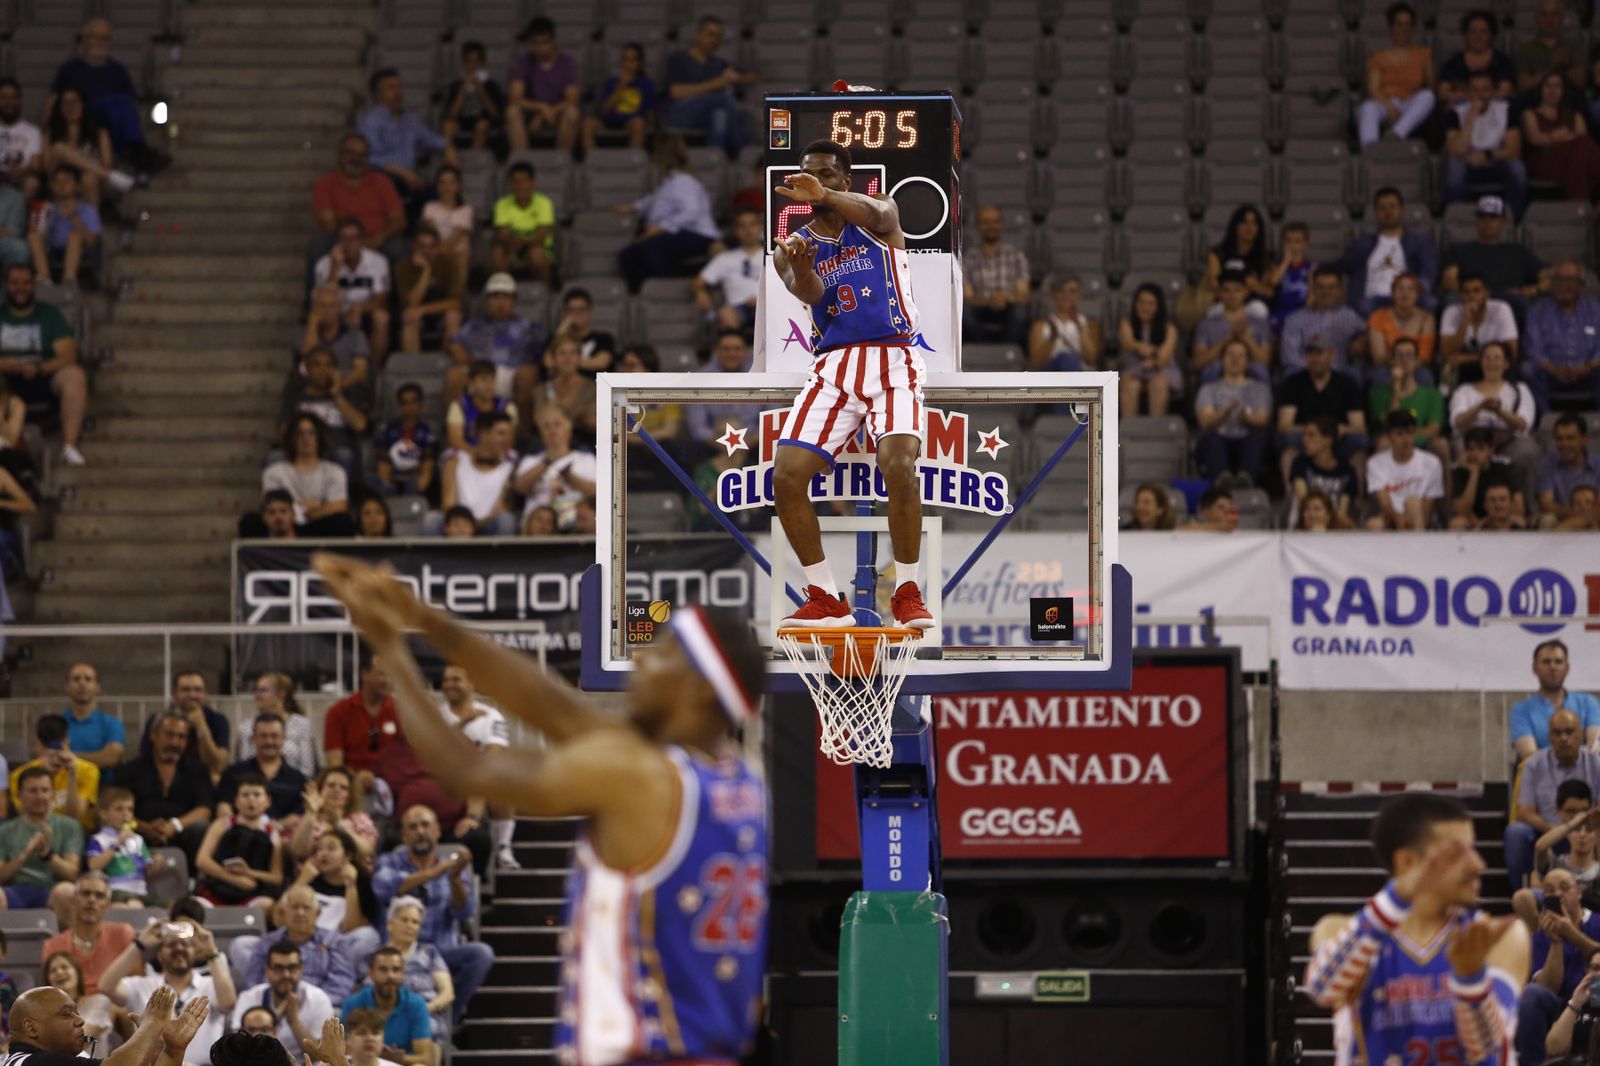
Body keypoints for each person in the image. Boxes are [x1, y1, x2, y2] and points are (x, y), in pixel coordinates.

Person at [315, 551, 769, 1064]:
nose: (641, 659)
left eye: (662, 654)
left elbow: (466, 771)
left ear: (700, 689)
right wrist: (425, 619)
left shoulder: (639, 776)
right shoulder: (741, 778)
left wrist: (390, 646)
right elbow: (555, 707)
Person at [767, 139, 933, 631]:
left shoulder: (880, 217)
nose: (815, 184)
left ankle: (906, 591)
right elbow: (811, 293)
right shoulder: (792, 245)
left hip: (893, 359)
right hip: (833, 366)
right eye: (807, 176)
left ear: (847, 180)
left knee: (898, 463)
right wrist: (800, 267)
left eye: (826, 176)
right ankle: (825, 598)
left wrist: (827, 195)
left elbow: (881, 212)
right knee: (786, 477)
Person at [1304, 793, 1528, 1064]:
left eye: (1474, 849)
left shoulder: (1495, 935)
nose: (1478, 865)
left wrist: (1471, 980)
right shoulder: (1342, 930)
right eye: (1458, 853)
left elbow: (1487, 1047)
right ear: (1408, 862)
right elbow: (1321, 988)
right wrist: (1395, 900)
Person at [370, 806, 489, 1027]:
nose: (420, 831)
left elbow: (464, 911)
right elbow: (383, 888)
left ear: (437, 831)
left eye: (426, 825)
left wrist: (454, 879)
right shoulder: (389, 861)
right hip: (397, 953)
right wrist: (431, 874)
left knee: (481, 954)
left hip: (441, 953)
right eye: (413, 827)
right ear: (405, 836)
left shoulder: (453, 867)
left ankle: (447, 1021)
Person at [98, 917, 233, 1066]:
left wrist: (210, 950)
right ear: (159, 956)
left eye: (185, 944)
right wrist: (139, 944)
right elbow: (106, 986)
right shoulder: (143, 984)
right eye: (170, 944)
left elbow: (228, 1003)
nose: (179, 948)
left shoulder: (211, 984)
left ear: (195, 954)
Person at [46, 18, 164, 173]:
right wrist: (47, 126)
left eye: (105, 38)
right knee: (115, 102)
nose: (101, 42)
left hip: (111, 125)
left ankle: (133, 149)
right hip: (82, 119)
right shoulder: (70, 70)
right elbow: (55, 100)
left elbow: (130, 104)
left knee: (121, 104)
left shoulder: (118, 70)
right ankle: (138, 151)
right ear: (85, 39)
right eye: (96, 37)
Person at [0, 263, 89, 466]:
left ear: (33, 285)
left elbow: (68, 355)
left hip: (42, 377)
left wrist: (40, 368)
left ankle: (69, 447)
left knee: (75, 375)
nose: (20, 288)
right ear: (6, 286)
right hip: (5, 380)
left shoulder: (49, 315)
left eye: (25, 283)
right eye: (15, 283)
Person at [6, 982, 212, 1066]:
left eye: (77, 1012)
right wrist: (152, 1024)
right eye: (66, 1015)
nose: (80, 1021)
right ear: (32, 1028)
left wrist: (173, 1049)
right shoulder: (27, 1063)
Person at [615, 136, 722, 293]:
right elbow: (656, 200)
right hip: (680, 234)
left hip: (698, 236)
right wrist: (632, 207)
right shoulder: (669, 182)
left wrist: (660, 229)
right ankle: (642, 295)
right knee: (628, 255)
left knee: (652, 247)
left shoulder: (684, 181)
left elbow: (691, 212)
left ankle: (667, 290)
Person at [437, 665, 518, 869]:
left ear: (471, 684)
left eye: (456, 679)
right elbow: (433, 750)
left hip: (479, 779)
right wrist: (463, 723)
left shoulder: (491, 716)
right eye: (446, 680)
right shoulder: (436, 715)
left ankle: (502, 847)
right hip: (443, 779)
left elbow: (494, 752)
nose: (449, 685)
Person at [1509, 709, 1600, 891]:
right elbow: (1525, 812)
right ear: (1549, 736)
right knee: (1516, 832)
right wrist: (1559, 831)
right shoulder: (1533, 764)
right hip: (1545, 831)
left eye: (1569, 731)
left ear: (1581, 734)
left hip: (1588, 830)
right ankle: (1521, 891)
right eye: (1557, 733)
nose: (1564, 738)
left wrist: (1584, 827)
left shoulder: (1596, 764)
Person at [116, 710, 214, 865]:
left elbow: (205, 809)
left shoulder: (198, 770)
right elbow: (116, 809)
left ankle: (198, 883)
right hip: (137, 834)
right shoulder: (129, 770)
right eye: (169, 735)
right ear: (153, 735)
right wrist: (145, 828)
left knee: (202, 829)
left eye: (181, 737)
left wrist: (174, 825)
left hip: (182, 834)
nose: (175, 743)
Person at [235, 886, 358, 1008]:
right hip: (272, 1008)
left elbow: (341, 985)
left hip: (319, 1008)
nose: (300, 913)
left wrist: (309, 1005)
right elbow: (253, 982)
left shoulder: (334, 942)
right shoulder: (267, 943)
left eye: (306, 908)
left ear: (318, 914)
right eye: (294, 907)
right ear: (283, 913)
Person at [359, 69, 456, 216]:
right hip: (384, 178)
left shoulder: (409, 120)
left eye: (399, 87)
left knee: (439, 195)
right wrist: (401, 171)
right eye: (391, 88)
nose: (398, 92)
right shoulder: (372, 122)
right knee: (390, 184)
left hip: (409, 181)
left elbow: (430, 139)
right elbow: (368, 158)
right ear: (377, 95)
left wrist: (447, 147)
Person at [1447, 342, 1538, 491]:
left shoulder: (1520, 390)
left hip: (1507, 441)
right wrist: (1479, 407)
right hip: (1473, 441)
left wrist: (1499, 412)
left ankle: (1527, 506)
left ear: (1506, 364)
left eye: (1497, 358)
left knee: (1528, 450)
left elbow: (1524, 424)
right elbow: (1456, 422)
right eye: (1487, 358)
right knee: (1459, 448)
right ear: (1480, 362)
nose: (1492, 363)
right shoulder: (1464, 390)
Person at [1276, 340, 1369, 486]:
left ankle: (1356, 498)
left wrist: (1339, 429)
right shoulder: (1293, 382)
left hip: (1336, 436)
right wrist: (1314, 433)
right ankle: (1291, 497)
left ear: (1332, 355)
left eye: (1320, 353)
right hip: (1305, 437)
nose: (1315, 359)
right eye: (1311, 354)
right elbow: (1284, 425)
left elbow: (1359, 426)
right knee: (1289, 442)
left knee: (1358, 441)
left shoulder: (1347, 383)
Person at [1335, 186, 1438, 316]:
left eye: (1392, 207)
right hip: (1373, 299)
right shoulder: (1363, 243)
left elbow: (1428, 272)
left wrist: (1417, 291)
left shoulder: (1419, 242)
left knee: (1430, 303)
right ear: (1376, 213)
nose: (1388, 212)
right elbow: (1342, 265)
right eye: (1382, 208)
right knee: (1360, 306)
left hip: (1407, 297)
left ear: (1401, 210)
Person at [444, 273, 543, 408]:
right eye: (495, 297)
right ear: (487, 300)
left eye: (505, 297)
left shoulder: (528, 327)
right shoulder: (474, 326)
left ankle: (523, 429)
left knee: (529, 374)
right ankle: (453, 424)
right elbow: (451, 341)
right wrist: (455, 347)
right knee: (454, 375)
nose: (500, 302)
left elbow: (545, 353)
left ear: (514, 300)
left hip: (511, 375)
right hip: (480, 372)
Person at [663, 16, 755, 157]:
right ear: (698, 34)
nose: (715, 40)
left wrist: (734, 78)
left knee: (721, 115)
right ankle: (744, 151)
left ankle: (712, 158)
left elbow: (752, 78)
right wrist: (715, 84)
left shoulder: (718, 64)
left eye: (719, 37)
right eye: (711, 35)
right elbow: (675, 92)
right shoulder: (679, 58)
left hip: (705, 117)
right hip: (679, 113)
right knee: (722, 99)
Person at [1437, 195, 1542, 316]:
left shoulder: (1518, 252)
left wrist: (1534, 289)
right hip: (1470, 298)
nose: (1487, 222)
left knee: (1523, 304)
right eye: (1482, 218)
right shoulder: (1459, 251)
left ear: (1504, 221)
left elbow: (1547, 277)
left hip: (1509, 298)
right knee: (1450, 303)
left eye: (1493, 218)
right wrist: (1450, 280)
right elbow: (1446, 282)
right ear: (1476, 221)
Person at [231, 941, 337, 1060]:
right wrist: (274, 1019)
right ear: (267, 970)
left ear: (301, 969)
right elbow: (237, 1050)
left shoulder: (318, 998)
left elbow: (322, 1057)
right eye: (278, 968)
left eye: (292, 968)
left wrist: (294, 1022)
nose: (286, 975)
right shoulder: (250, 997)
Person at [310, 136, 406, 265]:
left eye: (362, 155)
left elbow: (399, 219)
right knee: (319, 243)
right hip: (342, 238)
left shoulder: (382, 182)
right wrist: (352, 241)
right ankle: (319, 286)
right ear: (340, 154)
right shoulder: (325, 183)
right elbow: (327, 222)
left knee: (397, 247)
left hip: (377, 239)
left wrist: (380, 236)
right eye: (351, 153)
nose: (356, 159)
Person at [1444, 71, 1527, 218]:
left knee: (1518, 168)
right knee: (1454, 168)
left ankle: (1515, 219)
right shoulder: (1455, 113)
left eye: (1485, 90)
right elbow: (1456, 150)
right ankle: (1456, 220)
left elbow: (1514, 151)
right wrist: (1471, 116)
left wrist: (1487, 155)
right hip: (1467, 163)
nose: (1480, 95)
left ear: (1494, 92)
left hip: (1496, 162)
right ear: (1468, 93)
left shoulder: (1507, 110)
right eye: (1475, 90)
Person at [277, 349, 368, 482]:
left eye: (328, 365)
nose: (323, 370)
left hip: (335, 451)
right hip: (303, 453)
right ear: (307, 369)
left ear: (335, 370)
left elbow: (360, 425)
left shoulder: (348, 393)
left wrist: (337, 395)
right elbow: (282, 432)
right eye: (317, 365)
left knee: (345, 456)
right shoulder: (295, 396)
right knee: (275, 458)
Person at [194, 772, 283, 907]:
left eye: (257, 795)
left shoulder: (273, 835)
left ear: (268, 801)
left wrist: (248, 873)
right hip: (216, 890)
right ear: (236, 801)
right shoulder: (222, 824)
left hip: (252, 895)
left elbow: (277, 877)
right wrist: (234, 879)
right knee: (194, 906)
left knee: (267, 906)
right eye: (245, 795)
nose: (251, 800)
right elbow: (202, 861)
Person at [1523, 261, 1600, 415]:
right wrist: (1554, 369)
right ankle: (1546, 421)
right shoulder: (1537, 310)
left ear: (1581, 285)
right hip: (1550, 375)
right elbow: (1533, 348)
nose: (1565, 285)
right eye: (1560, 280)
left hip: (1588, 373)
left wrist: (1588, 367)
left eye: (1571, 280)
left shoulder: (1595, 310)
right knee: (1527, 370)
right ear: (1552, 284)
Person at [293, 829, 381, 964]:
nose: (323, 853)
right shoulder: (310, 877)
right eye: (319, 849)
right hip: (303, 940)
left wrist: (351, 886)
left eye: (331, 848)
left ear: (347, 856)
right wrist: (302, 881)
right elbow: (279, 917)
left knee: (369, 936)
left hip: (336, 947)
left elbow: (352, 928)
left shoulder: (361, 882)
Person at [261, 415, 355, 538]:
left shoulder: (335, 471)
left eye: (311, 433)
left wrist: (300, 510)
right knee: (251, 522)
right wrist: (318, 506)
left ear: (319, 437)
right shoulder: (273, 472)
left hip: (321, 526)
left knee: (343, 522)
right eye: (299, 434)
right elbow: (272, 506)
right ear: (292, 438)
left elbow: (339, 506)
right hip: (286, 526)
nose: (306, 439)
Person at [39, 872, 133, 994]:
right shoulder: (52, 945)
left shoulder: (122, 934)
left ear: (107, 906)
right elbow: (50, 994)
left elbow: (134, 988)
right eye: (86, 894)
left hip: (115, 1008)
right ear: (73, 901)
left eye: (99, 896)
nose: (92, 900)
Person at [0, 765, 81, 907]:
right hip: (16, 890)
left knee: (67, 892)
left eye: (45, 790)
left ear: (53, 794)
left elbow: (72, 874)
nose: (40, 797)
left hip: (54, 890)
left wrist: (47, 854)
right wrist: (25, 854)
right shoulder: (5, 830)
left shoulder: (69, 826)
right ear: (19, 794)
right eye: (33, 791)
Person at [1194, 339, 1271, 488]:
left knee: (1259, 436)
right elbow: (1204, 421)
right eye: (1230, 355)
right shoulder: (1209, 389)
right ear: (1222, 360)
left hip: (1247, 437)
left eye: (1240, 355)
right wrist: (1224, 412)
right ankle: (1221, 479)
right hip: (1220, 437)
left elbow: (1263, 419)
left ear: (1248, 362)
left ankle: (1246, 479)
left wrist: (1245, 418)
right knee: (1210, 437)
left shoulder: (1260, 388)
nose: (1235, 359)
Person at [312, 219, 391, 361]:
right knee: (323, 314)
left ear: (362, 240)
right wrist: (335, 268)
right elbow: (323, 300)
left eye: (353, 238)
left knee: (381, 317)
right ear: (337, 241)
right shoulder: (323, 264)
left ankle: (372, 369)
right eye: (344, 238)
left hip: (364, 311)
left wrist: (359, 308)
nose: (348, 244)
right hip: (335, 311)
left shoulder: (378, 261)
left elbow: (380, 300)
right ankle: (330, 364)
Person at [1358, 2, 1436, 146]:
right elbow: (1373, 90)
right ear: (1391, 28)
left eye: (1408, 25)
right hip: (1385, 103)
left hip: (1410, 103)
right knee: (1367, 108)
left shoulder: (1424, 54)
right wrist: (1389, 106)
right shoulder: (1378, 58)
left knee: (1428, 97)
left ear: (1413, 28)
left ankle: (1395, 134)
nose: (1403, 29)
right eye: (1399, 24)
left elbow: (1430, 86)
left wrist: (1415, 96)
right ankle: (1370, 153)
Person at [339, 949, 433, 1066]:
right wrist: (374, 1055)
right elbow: (344, 1050)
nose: (390, 976)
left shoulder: (416, 1004)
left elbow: (425, 1058)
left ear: (403, 973)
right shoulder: (352, 1003)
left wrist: (394, 1059)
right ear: (371, 973)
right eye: (383, 970)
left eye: (396, 970)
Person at [513, 405, 596, 536]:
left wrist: (569, 476)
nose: (552, 429)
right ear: (541, 434)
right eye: (546, 426)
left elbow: (595, 492)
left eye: (557, 424)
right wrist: (546, 462)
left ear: (569, 430)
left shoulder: (586, 459)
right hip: (537, 522)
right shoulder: (530, 460)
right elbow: (519, 488)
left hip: (573, 522)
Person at [1367, 337, 1450, 469]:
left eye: (1409, 354)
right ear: (1392, 361)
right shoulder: (1378, 394)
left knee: (1441, 445)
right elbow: (1390, 423)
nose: (1404, 359)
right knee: (1383, 443)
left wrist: (1406, 438)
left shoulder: (1433, 395)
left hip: (1421, 441)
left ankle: (1446, 490)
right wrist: (1396, 386)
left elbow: (1433, 429)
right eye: (1399, 355)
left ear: (1417, 361)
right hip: (1391, 441)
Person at [434, 409, 518, 536]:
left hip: (490, 526)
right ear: (483, 434)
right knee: (432, 521)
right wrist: (463, 526)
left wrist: (476, 525)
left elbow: (501, 508)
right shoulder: (455, 462)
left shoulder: (510, 467)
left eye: (509, 434)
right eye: (501, 433)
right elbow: (448, 504)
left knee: (506, 520)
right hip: (458, 523)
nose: (507, 439)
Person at [379, 898, 452, 1041]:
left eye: (415, 922)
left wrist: (421, 1011)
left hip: (425, 1015)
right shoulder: (376, 957)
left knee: (428, 1029)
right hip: (385, 1015)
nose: (410, 926)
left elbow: (447, 993)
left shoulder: (430, 953)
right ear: (390, 925)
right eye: (404, 920)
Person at [11, 713, 98, 831]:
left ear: (66, 743)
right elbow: (28, 817)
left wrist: (72, 774)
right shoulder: (19, 775)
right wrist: (44, 775)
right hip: (36, 831)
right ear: (37, 745)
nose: (53, 753)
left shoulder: (89, 770)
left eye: (57, 746)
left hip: (76, 833)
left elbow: (74, 818)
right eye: (47, 747)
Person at [1524, 71, 1600, 205]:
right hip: (1544, 161)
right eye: (1548, 86)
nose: (1552, 91)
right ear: (1540, 89)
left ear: (1563, 90)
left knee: (1582, 148)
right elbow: (1535, 139)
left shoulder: (1575, 115)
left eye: (1557, 86)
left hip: (1573, 162)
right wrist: (1554, 137)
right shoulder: (1530, 114)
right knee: (1582, 148)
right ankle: (1582, 204)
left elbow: (1582, 141)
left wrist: (1558, 139)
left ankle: (1579, 203)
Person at [505, 17, 580, 152]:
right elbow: (515, 98)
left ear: (553, 41)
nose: (540, 48)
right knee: (511, 112)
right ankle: (522, 160)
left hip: (557, 113)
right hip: (530, 113)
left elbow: (572, 99)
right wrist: (540, 107)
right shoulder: (523, 62)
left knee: (572, 113)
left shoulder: (567, 62)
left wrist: (546, 113)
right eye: (535, 43)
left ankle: (562, 159)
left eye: (544, 43)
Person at [323, 656, 400, 788]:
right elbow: (335, 765)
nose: (386, 681)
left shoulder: (400, 712)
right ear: (365, 674)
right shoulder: (338, 712)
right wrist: (355, 779)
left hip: (393, 785)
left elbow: (408, 758)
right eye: (381, 675)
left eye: (390, 675)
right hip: (352, 786)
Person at [1278, 267, 1367, 378]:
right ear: (1313, 289)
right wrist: (1317, 367)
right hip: (1305, 373)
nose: (1326, 292)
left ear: (1339, 290)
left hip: (1339, 374)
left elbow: (1370, 333)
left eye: (1331, 287)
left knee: (1355, 375)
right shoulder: (1295, 319)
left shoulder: (1350, 317)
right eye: (1320, 287)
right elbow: (1289, 357)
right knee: (1290, 374)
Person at [1364, 409, 1445, 530]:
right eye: (1399, 434)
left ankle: (1417, 546)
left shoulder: (1432, 463)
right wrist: (1400, 522)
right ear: (1389, 436)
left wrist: (1412, 519)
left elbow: (1429, 506)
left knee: (1412, 503)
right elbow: (1385, 504)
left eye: (1410, 433)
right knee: (1374, 524)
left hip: (1420, 518)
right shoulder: (1375, 463)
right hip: (1390, 519)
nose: (1406, 439)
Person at [962, 206, 1031, 345]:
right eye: (986, 222)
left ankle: (1007, 355)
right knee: (965, 314)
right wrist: (989, 301)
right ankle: (983, 356)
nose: (991, 226)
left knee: (1020, 313)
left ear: (1001, 224)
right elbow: (967, 296)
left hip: (1009, 306)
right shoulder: (969, 258)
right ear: (977, 226)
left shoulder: (1016, 256)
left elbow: (1023, 295)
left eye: (995, 221)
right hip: (980, 306)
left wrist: (1004, 298)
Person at [83, 791, 161, 906]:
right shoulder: (99, 839)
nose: (125, 814)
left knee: (170, 906)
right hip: (115, 890)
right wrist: (116, 844)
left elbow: (148, 870)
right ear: (104, 814)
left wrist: (156, 864)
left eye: (130, 810)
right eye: (119, 809)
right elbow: (93, 866)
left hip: (140, 891)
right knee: (134, 904)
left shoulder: (138, 839)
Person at [393, 226, 463, 354]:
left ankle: (448, 366)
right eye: (421, 246)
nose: (426, 251)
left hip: (439, 313)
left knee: (453, 316)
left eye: (431, 246)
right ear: (413, 246)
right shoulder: (403, 267)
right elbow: (411, 304)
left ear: (438, 247)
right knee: (410, 318)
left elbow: (454, 302)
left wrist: (423, 310)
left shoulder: (449, 263)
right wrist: (426, 272)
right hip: (416, 316)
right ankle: (413, 369)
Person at [290, 767, 380, 865]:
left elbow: (366, 851)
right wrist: (311, 813)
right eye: (331, 785)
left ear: (350, 795)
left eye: (343, 788)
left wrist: (338, 824)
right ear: (320, 790)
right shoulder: (305, 819)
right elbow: (298, 852)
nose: (337, 790)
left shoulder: (360, 819)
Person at [1191, 271, 1270, 381]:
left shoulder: (1259, 323)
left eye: (1237, 290)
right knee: (1213, 368)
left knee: (1260, 370)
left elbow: (1265, 361)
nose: (1232, 295)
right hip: (1218, 374)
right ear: (1219, 293)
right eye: (1226, 290)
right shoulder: (1206, 324)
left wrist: (1246, 339)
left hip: (1250, 376)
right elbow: (1198, 362)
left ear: (1246, 292)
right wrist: (1227, 340)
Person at [27, 165, 101, 283]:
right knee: (33, 235)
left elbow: (92, 241)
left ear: (77, 186)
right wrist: (43, 221)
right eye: (57, 182)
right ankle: (44, 278)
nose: (61, 185)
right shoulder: (47, 208)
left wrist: (74, 216)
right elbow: (39, 235)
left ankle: (69, 280)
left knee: (74, 236)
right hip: (52, 250)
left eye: (67, 181)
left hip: (80, 251)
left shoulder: (88, 209)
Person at [694, 208, 764, 334]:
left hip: (766, 306)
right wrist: (700, 291)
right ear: (736, 231)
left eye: (752, 224)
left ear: (761, 228)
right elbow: (698, 281)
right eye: (742, 226)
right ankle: (736, 347)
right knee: (724, 313)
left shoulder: (772, 256)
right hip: (737, 309)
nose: (748, 230)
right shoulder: (724, 258)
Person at [238, 674, 317, 779]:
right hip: (254, 785)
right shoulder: (246, 727)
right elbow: (242, 765)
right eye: (255, 690)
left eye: (263, 690)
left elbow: (308, 770)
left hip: (292, 786)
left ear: (281, 694)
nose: (257, 694)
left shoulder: (302, 724)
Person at [1118, 282, 1179, 416]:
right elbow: (1128, 342)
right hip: (1134, 369)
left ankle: (1156, 431)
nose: (1145, 307)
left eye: (1151, 304)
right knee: (1130, 385)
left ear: (1158, 307)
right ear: (1135, 304)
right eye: (1141, 302)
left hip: (1161, 370)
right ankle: (1129, 431)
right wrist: (1140, 347)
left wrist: (1153, 360)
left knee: (1158, 383)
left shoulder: (1169, 329)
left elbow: (1163, 357)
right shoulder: (1126, 325)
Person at [1449, 425, 1526, 532]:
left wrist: (1491, 519)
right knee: (1457, 523)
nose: (1475, 454)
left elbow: (1519, 508)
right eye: (1470, 449)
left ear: (1491, 450)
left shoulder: (1505, 469)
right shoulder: (1459, 472)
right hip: (1473, 522)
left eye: (1480, 449)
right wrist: (1474, 474)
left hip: (1500, 519)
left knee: (1518, 521)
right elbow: (1461, 511)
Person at [490, 162, 555, 283]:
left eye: (524, 181)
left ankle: (547, 292)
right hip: (511, 248)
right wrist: (514, 242)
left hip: (537, 247)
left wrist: (522, 242)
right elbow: (503, 235)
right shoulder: (502, 204)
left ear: (532, 182)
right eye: (515, 181)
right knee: (498, 255)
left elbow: (541, 236)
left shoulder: (544, 203)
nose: (519, 186)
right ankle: (500, 294)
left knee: (537, 255)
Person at [583, 42, 654, 152]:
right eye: (625, 59)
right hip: (609, 120)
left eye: (633, 60)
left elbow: (646, 113)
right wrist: (621, 85)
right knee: (588, 123)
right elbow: (604, 110)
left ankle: (632, 161)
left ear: (640, 63)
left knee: (638, 123)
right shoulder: (612, 82)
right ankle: (592, 161)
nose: (628, 64)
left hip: (630, 122)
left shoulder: (645, 84)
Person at [373, 384, 438, 499]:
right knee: (381, 467)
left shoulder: (427, 431)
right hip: (392, 468)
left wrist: (414, 466)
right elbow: (381, 453)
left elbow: (429, 456)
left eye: (413, 402)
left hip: (416, 470)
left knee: (427, 469)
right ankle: (388, 497)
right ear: (400, 406)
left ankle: (413, 502)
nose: (410, 407)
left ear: (421, 404)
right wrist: (395, 463)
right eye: (405, 403)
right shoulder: (389, 428)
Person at [1290, 416, 1359, 525]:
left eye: (1311, 435)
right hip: (1304, 527)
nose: (1304, 440)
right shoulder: (1300, 464)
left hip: (1333, 528)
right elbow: (1304, 503)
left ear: (1327, 441)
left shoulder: (1346, 471)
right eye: (1304, 435)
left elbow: (1342, 513)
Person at [1438, 10, 1516, 106]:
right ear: (1465, 35)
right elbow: (1443, 92)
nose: (1478, 36)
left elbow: (1505, 90)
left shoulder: (1502, 61)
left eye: (1483, 31)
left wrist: (1478, 100)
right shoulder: (1454, 62)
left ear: (1491, 34)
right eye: (1473, 31)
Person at [1203, 204, 1273, 310]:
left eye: (1254, 223)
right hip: (1224, 305)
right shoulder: (1218, 254)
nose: (1249, 228)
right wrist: (1236, 289)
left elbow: (1269, 292)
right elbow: (1214, 286)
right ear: (1235, 226)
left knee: (1259, 310)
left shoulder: (1265, 257)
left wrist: (1254, 285)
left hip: (1253, 306)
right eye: (1245, 222)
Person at [1366, 274, 1436, 378]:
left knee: (1425, 376)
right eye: (1400, 289)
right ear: (1393, 293)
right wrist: (1400, 362)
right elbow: (1379, 357)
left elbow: (1425, 357)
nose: (1405, 294)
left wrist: (1407, 364)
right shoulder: (1378, 316)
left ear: (1417, 294)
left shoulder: (1427, 319)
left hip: (1416, 367)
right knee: (1380, 376)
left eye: (1410, 289)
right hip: (1387, 366)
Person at [1537, 413, 1600, 528]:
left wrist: (1582, 519)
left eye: (1570, 438)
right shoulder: (1548, 464)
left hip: (1595, 520)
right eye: (1560, 439)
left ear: (1584, 439)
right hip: (1562, 520)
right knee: (1547, 520)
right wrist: (1573, 516)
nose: (1564, 444)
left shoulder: (1598, 465)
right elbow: (1546, 503)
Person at [439, 43, 504, 153]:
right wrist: (461, 94)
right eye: (468, 61)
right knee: (447, 126)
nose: (472, 66)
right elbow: (451, 115)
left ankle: (474, 158)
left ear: (483, 63)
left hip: (484, 121)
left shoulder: (491, 85)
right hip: (462, 121)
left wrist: (482, 93)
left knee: (481, 126)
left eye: (476, 62)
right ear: (463, 63)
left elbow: (496, 115)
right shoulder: (456, 86)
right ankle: (448, 158)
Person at [1027, 273, 1101, 371]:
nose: (1066, 296)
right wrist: (1052, 337)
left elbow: (1091, 358)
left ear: (1079, 295)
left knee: (1067, 359)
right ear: (1053, 295)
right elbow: (1036, 361)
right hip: (1050, 374)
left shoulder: (1090, 323)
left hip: (1081, 373)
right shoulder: (1041, 325)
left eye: (1072, 291)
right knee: (1063, 358)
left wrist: (1081, 329)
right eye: (1061, 291)